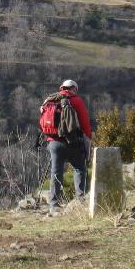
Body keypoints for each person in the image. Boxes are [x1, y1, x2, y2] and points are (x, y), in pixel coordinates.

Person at [40, 79, 92, 212]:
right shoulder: (76, 100)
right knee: (79, 168)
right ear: (74, 88)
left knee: (56, 171)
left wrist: (50, 138)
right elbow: (84, 122)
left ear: (62, 87)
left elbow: (42, 122)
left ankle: (54, 204)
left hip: (53, 142)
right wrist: (89, 138)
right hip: (72, 141)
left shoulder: (50, 100)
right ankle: (80, 200)